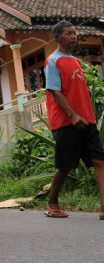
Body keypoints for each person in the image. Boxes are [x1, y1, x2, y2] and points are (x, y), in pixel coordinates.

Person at [44, 20, 104, 219]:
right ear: (58, 37)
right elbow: (54, 90)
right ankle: (52, 203)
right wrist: (72, 115)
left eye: (75, 33)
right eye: (69, 33)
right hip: (65, 121)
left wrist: (86, 115)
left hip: (88, 120)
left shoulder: (76, 62)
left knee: (100, 161)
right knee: (66, 166)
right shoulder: (53, 61)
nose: (74, 36)